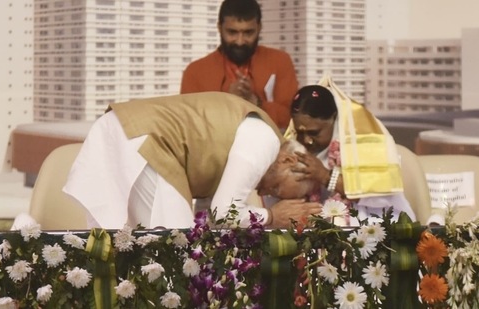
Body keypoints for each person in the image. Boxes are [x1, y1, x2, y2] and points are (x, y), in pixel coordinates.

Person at [62, 92, 322, 230]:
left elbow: (208, 218)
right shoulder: (265, 140)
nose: (263, 191)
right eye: (276, 188)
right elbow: (222, 214)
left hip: (126, 131)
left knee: (136, 253)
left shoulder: (258, 135)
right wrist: (271, 216)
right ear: (288, 159)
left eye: (273, 194)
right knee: (177, 254)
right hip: (144, 139)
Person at [286, 77, 416, 225]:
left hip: (377, 226)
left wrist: (324, 176)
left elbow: (380, 195)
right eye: (300, 133)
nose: (306, 140)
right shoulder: (298, 148)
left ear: (334, 119)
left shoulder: (363, 141)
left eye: (314, 133)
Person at [180, 0, 298, 130]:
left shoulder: (280, 61)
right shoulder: (195, 72)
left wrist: (256, 103)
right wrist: (227, 102)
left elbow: (293, 119)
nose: (240, 41)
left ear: (259, 28)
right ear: (219, 27)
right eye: (232, 32)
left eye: (248, 33)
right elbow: (187, 125)